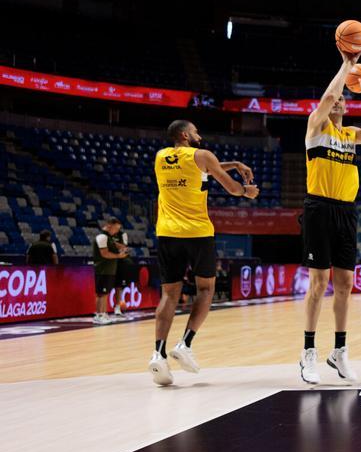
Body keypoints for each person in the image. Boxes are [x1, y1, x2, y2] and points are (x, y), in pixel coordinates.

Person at [299, 56, 361, 385]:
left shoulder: (350, 134)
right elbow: (325, 98)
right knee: (319, 283)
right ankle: (308, 351)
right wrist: (346, 64)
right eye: (335, 97)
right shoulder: (316, 127)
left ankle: (339, 351)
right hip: (319, 208)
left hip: (346, 211)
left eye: (342, 98)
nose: (338, 100)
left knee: (345, 286)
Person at [150, 120, 258, 385]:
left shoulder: (161, 157)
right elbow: (231, 187)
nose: (200, 135)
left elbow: (203, 167)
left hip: (167, 233)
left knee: (169, 294)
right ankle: (185, 344)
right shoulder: (203, 155)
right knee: (206, 290)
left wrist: (234, 164)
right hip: (197, 233)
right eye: (196, 131)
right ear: (186, 134)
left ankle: (158, 354)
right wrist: (247, 191)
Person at [92, 219, 128, 325]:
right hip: (102, 269)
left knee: (105, 293)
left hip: (109, 270)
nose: (116, 231)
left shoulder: (109, 238)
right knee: (101, 294)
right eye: (115, 228)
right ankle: (99, 315)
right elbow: (105, 253)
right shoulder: (102, 237)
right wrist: (118, 256)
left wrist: (121, 247)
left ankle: (103, 313)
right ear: (109, 226)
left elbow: (115, 245)